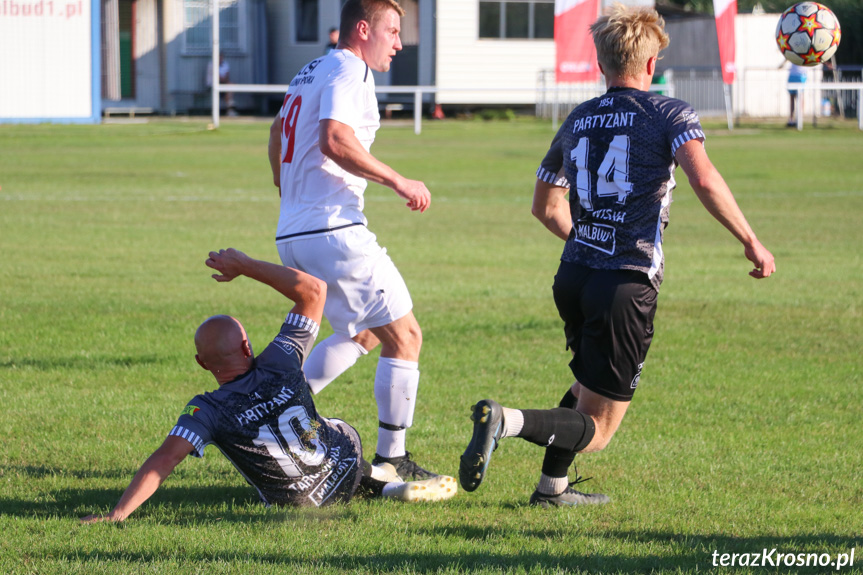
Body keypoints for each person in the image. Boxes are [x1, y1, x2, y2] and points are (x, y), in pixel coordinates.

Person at [459, 4, 775, 508]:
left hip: (574, 277)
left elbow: (545, 206)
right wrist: (750, 240)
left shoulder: (580, 118)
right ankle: (506, 420)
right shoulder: (670, 113)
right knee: (599, 428)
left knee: (587, 381)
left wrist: (586, 242)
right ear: (651, 65)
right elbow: (704, 178)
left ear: (601, 64)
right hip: (625, 282)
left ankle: (552, 490)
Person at [80, 249, 456, 524]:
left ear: (201, 363)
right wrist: (245, 266)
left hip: (299, 505)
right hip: (341, 468)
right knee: (329, 425)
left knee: (303, 432)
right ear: (247, 346)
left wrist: (117, 514)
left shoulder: (205, 410)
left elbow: (163, 460)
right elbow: (313, 291)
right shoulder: (281, 358)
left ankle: (382, 484)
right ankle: (379, 479)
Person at [267, 0, 434, 480]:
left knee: (363, 332)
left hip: (294, 233)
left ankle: (276, 417)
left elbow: (279, 131)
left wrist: (287, 185)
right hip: (333, 231)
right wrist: (399, 180)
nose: (399, 44)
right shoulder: (351, 68)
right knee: (406, 336)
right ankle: (391, 460)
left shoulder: (310, 69)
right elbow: (335, 140)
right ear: (364, 29)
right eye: (393, 31)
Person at [207, 51, 236, 115]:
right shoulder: (211, 64)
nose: (220, 59)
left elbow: (227, 76)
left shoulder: (225, 64)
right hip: (212, 85)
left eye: (221, 57)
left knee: (230, 86)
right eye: (218, 58)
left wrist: (225, 81)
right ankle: (230, 109)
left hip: (223, 84)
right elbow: (218, 77)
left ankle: (230, 109)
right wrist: (224, 80)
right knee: (228, 88)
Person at [785, 62, 807, 127]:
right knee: (792, 98)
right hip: (792, 75)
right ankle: (791, 119)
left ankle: (799, 119)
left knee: (800, 98)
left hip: (801, 75)